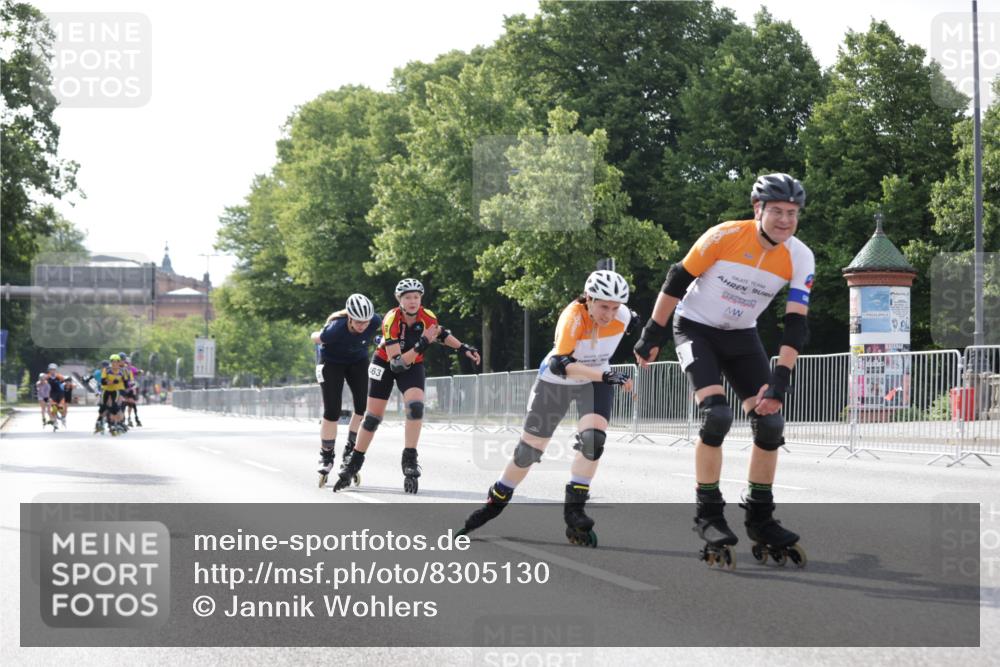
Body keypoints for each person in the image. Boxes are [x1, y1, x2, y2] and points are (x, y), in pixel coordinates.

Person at [634, 173, 813, 568]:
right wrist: (652, 334)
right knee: (717, 416)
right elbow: (677, 280)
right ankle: (709, 514)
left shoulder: (800, 257)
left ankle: (760, 518)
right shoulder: (723, 236)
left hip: (741, 337)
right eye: (778, 212)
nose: (785, 220)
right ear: (758, 209)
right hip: (695, 329)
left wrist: (780, 381)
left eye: (792, 213)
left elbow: (796, 324)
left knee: (770, 424)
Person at [458, 270, 639, 547]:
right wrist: (606, 376)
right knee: (528, 452)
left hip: (594, 381)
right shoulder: (572, 317)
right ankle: (497, 499)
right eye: (603, 306)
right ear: (589, 299)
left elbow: (647, 330)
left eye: (615, 308)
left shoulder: (624, 317)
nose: (609, 314)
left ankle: (575, 510)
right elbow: (561, 365)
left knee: (594, 440)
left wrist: (646, 347)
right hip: (557, 381)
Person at [332, 278, 481, 494]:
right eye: (408, 298)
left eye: (416, 297)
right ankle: (353, 462)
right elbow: (397, 364)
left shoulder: (427, 316)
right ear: (399, 300)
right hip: (386, 362)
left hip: (414, 364)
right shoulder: (391, 320)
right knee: (372, 418)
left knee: (416, 408)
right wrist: (422, 343)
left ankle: (410, 458)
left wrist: (463, 348)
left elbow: (441, 334)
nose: (413, 302)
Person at [309, 294, 381, 487]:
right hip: (331, 362)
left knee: (362, 408)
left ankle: (350, 449)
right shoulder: (336, 328)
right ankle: (326, 455)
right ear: (349, 317)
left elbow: (383, 332)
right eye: (358, 322)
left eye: (365, 322)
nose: (362, 326)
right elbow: (316, 337)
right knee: (332, 410)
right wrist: (317, 334)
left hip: (357, 361)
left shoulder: (375, 321)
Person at [100, 355, 129, 436]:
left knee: (118, 406)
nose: (115, 363)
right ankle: (109, 422)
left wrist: (125, 390)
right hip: (108, 389)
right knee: (108, 405)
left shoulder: (124, 370)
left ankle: (118, 423)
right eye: (113, 362)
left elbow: (126, 383)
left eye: (117, 362)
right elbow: (102, 381)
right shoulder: (107, 369)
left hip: (120, 390)